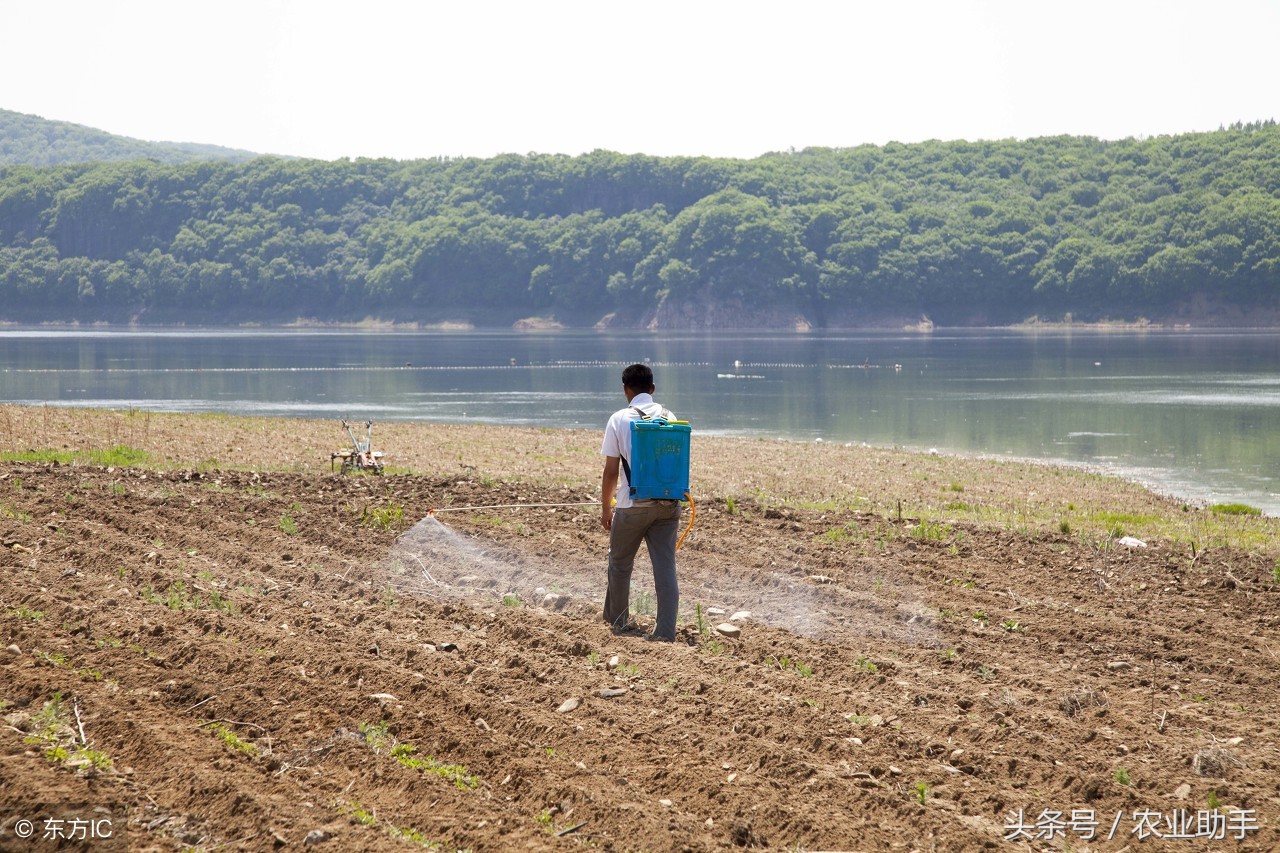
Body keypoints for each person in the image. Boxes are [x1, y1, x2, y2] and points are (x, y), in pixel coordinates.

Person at [600, 363, 681, 641]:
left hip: (631, 505)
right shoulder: (670, 416)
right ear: (652, 389)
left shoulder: (618, 419)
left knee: (620, 564)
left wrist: (606, 508)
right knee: (665, 567)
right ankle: (665, 632)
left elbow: (611, 472)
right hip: (668, 504)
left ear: (626, 390)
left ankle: (618, 622)